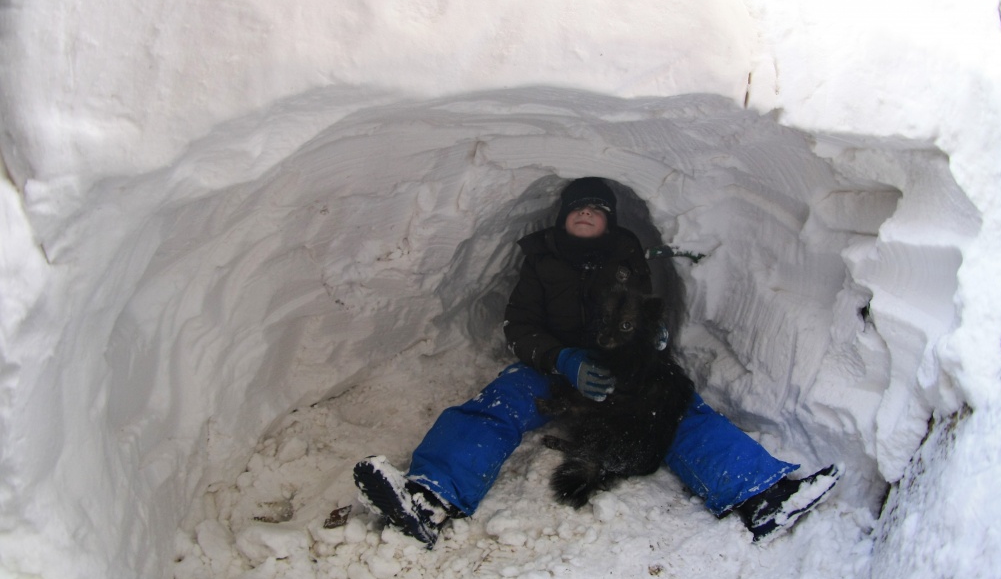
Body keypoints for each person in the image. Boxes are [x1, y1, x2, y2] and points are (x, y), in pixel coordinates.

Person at [353, 177, 839, 548]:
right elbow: (519, 326)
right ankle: (430, 499)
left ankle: (760, 496)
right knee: (497, 404)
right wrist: (561, 358)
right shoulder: (540, 261)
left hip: (620, 370)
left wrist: (652, 339)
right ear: (562, 218)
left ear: (609, 222)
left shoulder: (627, 259)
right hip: (553, 368)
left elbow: (643, 312)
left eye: (596, 209)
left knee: (675, 408)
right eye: (577, 208)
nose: (585, 213)